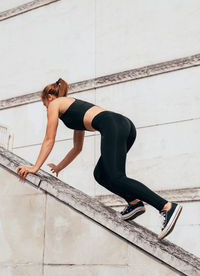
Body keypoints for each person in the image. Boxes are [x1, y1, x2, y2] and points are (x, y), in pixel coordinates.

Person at [17, 78, 182, 240]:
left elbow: (49, 139)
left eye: (43, 103)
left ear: (49, 97)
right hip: (124, 125)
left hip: (112, 125)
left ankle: (166, 206)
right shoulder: (73, 108)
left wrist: (34, 167)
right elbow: (77, 148)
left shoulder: (55, 103)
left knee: (117, 176)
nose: (45, 108)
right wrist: (60, 167)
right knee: (101, 174)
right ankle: (134, 203)